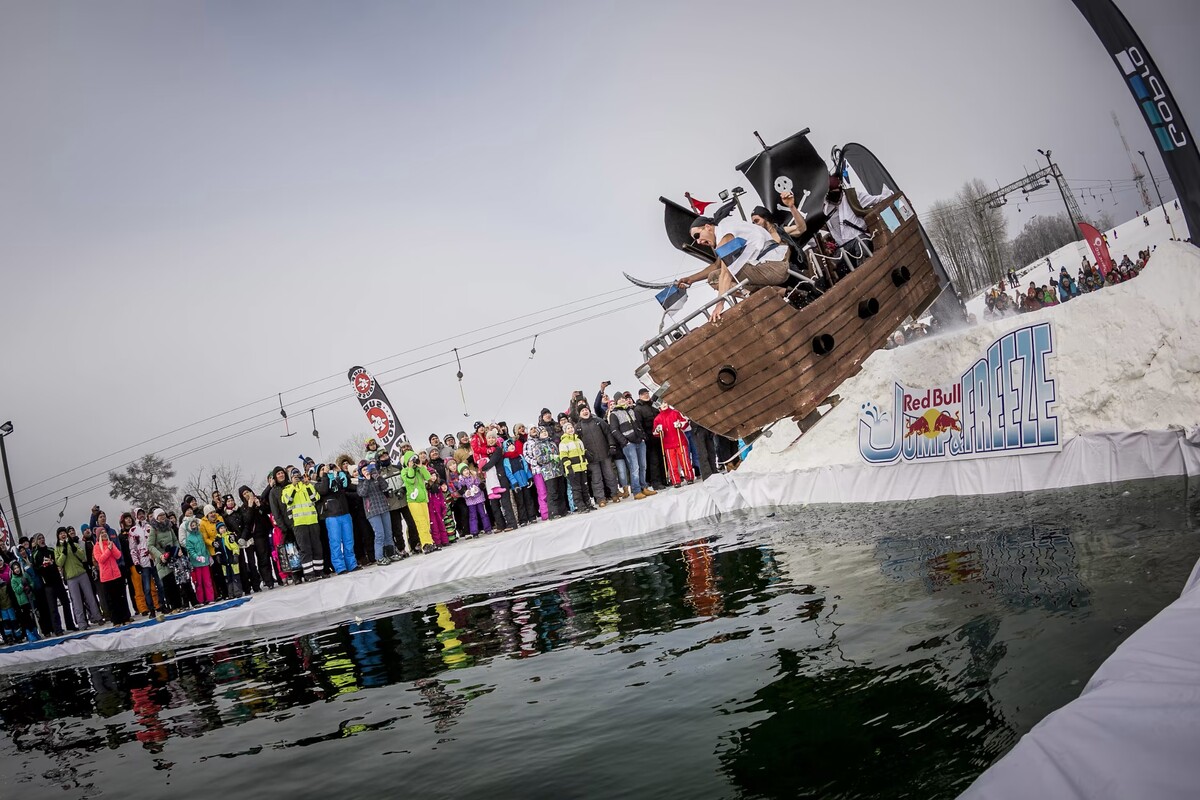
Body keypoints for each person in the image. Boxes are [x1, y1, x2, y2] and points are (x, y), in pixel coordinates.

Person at [676, 211, 793, 319]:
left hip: (774, 267)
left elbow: (725, 274)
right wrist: (691, 279)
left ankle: (762, 298)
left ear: (707, 227)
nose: (698, 242)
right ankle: (785, 293)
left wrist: (719, 305)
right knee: (719, 274)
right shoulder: (726, 227)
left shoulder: (725, 236)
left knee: (714, 278)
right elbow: (717, 265)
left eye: (697, 236)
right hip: (775, 263)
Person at [821, 174, 892, 267]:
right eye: (832, 192)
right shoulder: (824, 209)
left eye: (837, 191)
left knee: (861, 247)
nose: (836, 193)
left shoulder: (852, 197)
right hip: (843, 247)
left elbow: (877, 200)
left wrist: (899, 202)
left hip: (860, 239)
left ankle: (868, 270)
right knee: (833, 265)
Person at [281, 467, 324, 580]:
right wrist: (294, 487)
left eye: (299, 476)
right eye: (295, 477)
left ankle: (319, 571)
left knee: (317, 547)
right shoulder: (287, 489)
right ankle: (309, 574)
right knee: (305, 549)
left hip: (312, 521)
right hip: (299, 523)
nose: (298, 478)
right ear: (291, 478)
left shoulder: (307, 486)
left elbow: (315, 498)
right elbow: (288, 500)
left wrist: (308, 484)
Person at [56, 526, 101, 629]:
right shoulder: (57, 549)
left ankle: (98, 617)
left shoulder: (74, 544)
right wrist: (63, 553)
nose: (63, 535)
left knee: (90, 597)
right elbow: (59, 562)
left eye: (64, 533)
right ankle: (81, 623)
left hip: (82, 573)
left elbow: (83, 556)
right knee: (77, 601)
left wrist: (73, 547)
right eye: (61, 533)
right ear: (58, 536)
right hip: (71, 577)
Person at [607, 394, 651, 500]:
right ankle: (636, 491)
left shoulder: (631, 410)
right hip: (628, 443)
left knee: (643, 465)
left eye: (623, 398)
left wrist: (643, 436)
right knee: (634, 467)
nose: (622, 400)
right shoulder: (614, 414)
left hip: (639, 441)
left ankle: (644, 486)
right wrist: (624, 441)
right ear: (617, 401)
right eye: (620, 399)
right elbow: (614, 430)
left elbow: (638, 424)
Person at [317, 462, 358, 574]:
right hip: (332, 516)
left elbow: (346, 484)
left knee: (349, 541)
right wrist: (324, 475)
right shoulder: (318, 484)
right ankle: (339, 567)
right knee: (335, 542)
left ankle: (351, 564)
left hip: (345, 514)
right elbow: (324, 490)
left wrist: (339, 471)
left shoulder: (337, 479)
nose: (325, 470)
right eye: (321, 470)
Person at [576, 405, 621, 508]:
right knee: (596, 479)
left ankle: (614, 494)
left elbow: (608, 433)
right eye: (582, 410)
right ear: (579, 414)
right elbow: (578, 443)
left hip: (605, 454)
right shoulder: (578, 427)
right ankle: (600, 498)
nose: (585, 412)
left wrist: (611, 445)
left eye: (586, 410)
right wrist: (586, 454)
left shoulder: (598, 421)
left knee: (610, 475)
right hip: (591, 458)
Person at [130, 510, 166, 619]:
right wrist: (136, 563)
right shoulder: (133, 530)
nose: (141, 516)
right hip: (143, 562)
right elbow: (133, 548)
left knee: (160, 584)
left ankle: (162, 605)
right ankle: (151, 610)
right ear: (136, 516)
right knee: (146, 588)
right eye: (139, 514)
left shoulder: (150, 526)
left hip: (154, 559)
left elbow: (157, 540)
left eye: (142, 514)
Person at [93, 527, 131, 625]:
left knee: (121, 598)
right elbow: (100, 560)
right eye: (101, 533)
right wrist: (108, 550)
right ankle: (116, 620)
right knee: (111, 600)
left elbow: (118, 555)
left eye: (105, 532)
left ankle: (126, 618)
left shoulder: (111, 543)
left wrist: (112, 547)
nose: (104, 534)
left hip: (116, 574)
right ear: (98, 536)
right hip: (106, 577)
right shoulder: (96, 547)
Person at [400, 451, 437, 553]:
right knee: (420, 523)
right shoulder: (404, 471)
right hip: (413, 501)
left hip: (423, 499)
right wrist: (411, 468)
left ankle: (430, 541)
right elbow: (410, 480)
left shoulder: (420, 469)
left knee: (426, 522)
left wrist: (421, 467)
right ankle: (425, 543)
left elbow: (428, 477)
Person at [654, 403, 695, 486]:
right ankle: (676, 481)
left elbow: (685, 423)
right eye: (661, 404)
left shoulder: (675, 413)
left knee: (685, 460)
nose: (664, 405)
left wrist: (680, 424)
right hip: (668, 444)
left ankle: (689, 477)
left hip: (680, 441)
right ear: (659, 406)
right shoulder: (657, 419)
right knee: (672, 464)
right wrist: (658, 430)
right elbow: (655, 433)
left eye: (665, 403)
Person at [558, 422, 590, 512]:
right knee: (576, 488)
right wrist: (568, 467)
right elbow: (563, 456)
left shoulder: (578, 440)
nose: (570, 429)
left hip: (582, 467)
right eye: (568, 428)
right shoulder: (563, 443)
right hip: (573, 468)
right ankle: (580, 506)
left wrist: (585, 462)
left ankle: (587, 503)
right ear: (565, 431)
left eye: (571, 427)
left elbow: (583, 452)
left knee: (584, 486)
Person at [183, 517, 214, 605]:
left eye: (195, 524)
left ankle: (210, 598)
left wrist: (208, 556)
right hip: (196, 563)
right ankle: (200, 600)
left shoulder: (200, 534)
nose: (194, 526)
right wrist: (197, 557)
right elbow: (190, 550)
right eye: (192, 525)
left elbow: (204, 546)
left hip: (205, 562)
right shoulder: (189, 539)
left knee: (207, 580)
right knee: (199, 582)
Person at [454, 463, 491, 537]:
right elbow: (461, 490)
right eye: (464, 471)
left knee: (483, 513)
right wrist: (466, 493)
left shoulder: (474, 476)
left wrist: (477, 489)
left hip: (479, 498)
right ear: (461, 473)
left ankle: (487, 528)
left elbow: (479, 484)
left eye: (467, 469)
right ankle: (474, 531)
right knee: (473, 516)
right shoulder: (461, 481)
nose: (466, 472)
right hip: (470, 501)